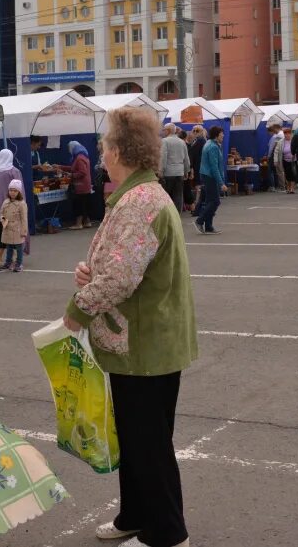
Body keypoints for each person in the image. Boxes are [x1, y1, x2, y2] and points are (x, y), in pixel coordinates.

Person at [63, 106, 197, 547]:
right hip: (142, 342)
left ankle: (167, 533)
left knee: (148, 444)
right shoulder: (140, 194)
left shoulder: (139, 202)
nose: (101, 153)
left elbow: (121, 277)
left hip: (144, 343)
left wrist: (78, 308)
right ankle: (135, 516)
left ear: (118, 151)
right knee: (138, 440)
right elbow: (123, 263)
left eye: (104, 145)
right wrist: (93, 272)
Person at [194, 126, 227, 235]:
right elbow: (214, 167)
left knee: (209, 201)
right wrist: (221, 183)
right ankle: (199, 220)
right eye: (222, 134)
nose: (223, 136)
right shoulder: (213, 147)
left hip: (205, 175)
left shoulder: (209, 144)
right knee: (215, 201)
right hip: (210, 176)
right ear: (217, 135)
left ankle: (209, 226)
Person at [59, 141, 94, 230]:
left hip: (81, 185)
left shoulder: (79, 158)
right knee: (85, 203)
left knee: (79, 204)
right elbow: (73, 168)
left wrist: (71, 175)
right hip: (85, 184)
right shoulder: (83, 156)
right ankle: (87, 222)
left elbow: (82, 172)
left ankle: (79, 224)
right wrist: (60, 167)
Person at [0, 179, 29, 272]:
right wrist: (2, 219)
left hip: (17, 228)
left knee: (19, 248)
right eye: (11, 190)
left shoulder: (21, 204)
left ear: (19, 192)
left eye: (15, 191)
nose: (12, 192)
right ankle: (8, 263)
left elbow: (24, 218)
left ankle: (19, 264)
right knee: (9, 247)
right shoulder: (5, 202)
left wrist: (24, 231)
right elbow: (1, 213)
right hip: (7, 227)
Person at [160, 125, 190, 211]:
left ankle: (167, 215)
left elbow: (163, 157)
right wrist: (186, 171)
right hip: (179, 172)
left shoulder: (164, 141)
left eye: (164, 130)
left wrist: (160, 171)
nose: (163, 131)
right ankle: (177, 215)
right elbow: (186, 158)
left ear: (168, 130)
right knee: (178, 196)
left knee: (166, 196)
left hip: (168, 173)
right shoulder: (182, 142)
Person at [186, 126, 206, 214]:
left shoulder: (201, 140)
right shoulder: (196, 140)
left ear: (201, 131)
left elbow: (193, 154)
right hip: (196, 166)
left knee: (199, 187)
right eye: (193, 130)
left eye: (197, 130)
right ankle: (198, 207)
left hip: (198, 166)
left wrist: (191, 167)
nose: (195, 132)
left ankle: (198, 208)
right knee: (198, 186)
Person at [273, 126, 296, 193]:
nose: (287, 135)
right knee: (287, 175)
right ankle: (288, 188)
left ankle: (292, 189)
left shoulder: (294, 140)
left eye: (289, 133)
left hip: (293, 160)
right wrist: (275, 160)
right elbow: (276, 151)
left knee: (293, 174)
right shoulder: (281, 142)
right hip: (284, 160)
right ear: (284, 134)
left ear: (291, 134)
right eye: (286, 133)